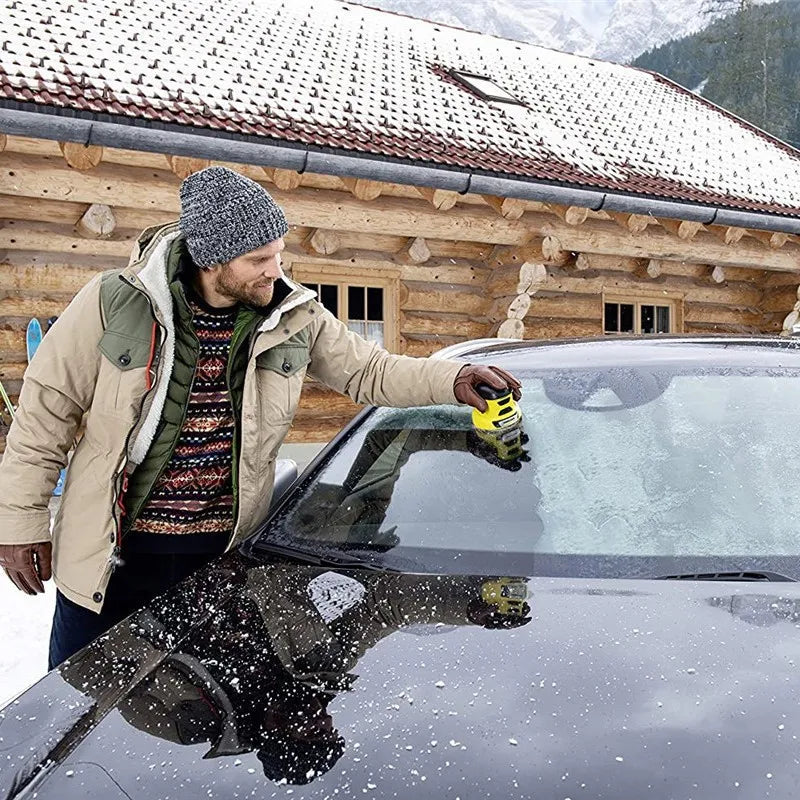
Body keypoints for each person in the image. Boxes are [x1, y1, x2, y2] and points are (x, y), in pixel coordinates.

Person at [0, 166, 521, 669]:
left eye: (278, 253)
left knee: (205, 706)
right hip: (112, 555)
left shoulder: (292, 313)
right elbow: (45, 415)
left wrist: (451, 379)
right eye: (258, 259)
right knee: (83, 700)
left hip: (219, 560)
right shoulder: (115, 301)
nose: (275, 269)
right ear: (211, 260)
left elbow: (368, 370)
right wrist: (20, 522)